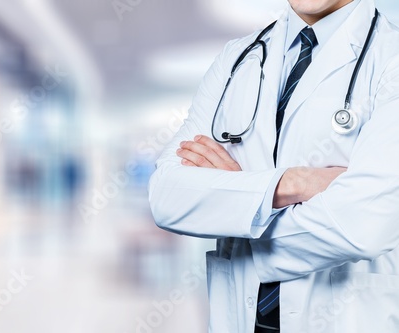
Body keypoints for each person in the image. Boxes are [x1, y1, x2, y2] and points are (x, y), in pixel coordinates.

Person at [148, 0, 399, 332]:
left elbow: (363, 225)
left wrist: (237, 204)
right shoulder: (237, 58)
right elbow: (168, 197)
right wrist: (292, 183)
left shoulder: (390, 56)